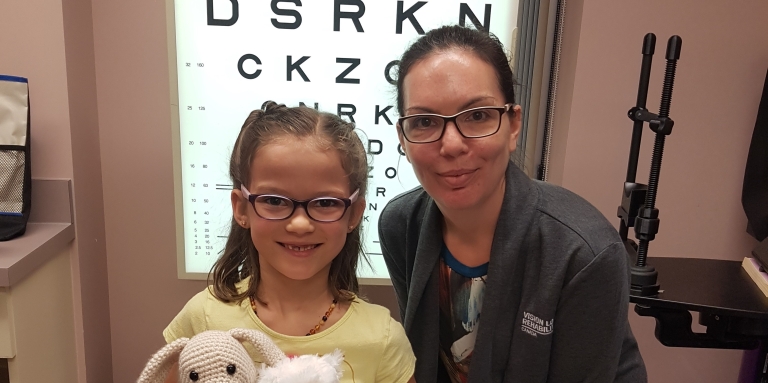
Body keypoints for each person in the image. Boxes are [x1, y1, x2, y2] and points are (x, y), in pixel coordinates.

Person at [379, 25, 647, 383]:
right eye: (424, 122)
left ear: (513, 125)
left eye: (477, 116)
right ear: (403, 137)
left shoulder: (583, 253)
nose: (452, 145)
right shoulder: (400, 225)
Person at [164, 101, 416, 383]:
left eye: (325, 203)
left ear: (354, 214)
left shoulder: (382, 339)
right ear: (242, 208)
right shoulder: (203, 318)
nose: (299, 224)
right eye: (274, 201)